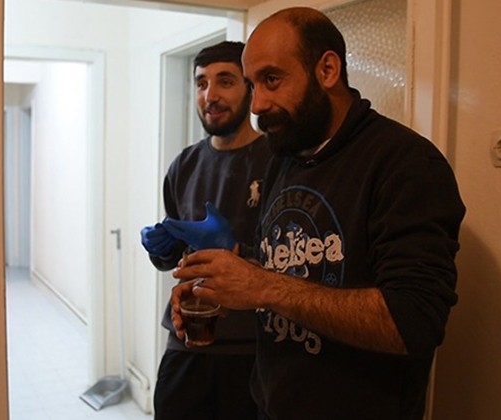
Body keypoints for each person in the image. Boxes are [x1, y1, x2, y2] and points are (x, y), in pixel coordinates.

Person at [166, 7, 466, 420]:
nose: (258, 105)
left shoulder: (405, 163)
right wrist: (226, 282)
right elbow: (288, 269)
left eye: (272, 80)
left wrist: (263, 286)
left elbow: (414, 322)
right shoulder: (285, 159)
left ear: (327, 69)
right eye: (252, 85)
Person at [139, 41, 272, 420]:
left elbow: (298, 264)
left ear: (249, 88)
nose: (210, 95)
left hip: (252, 350)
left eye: (225, 81)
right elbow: (176, 258)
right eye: (201, 83)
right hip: (186, 341)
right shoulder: (184, 164)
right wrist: (162, 250)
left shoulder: (278, 162)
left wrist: (237, 250)